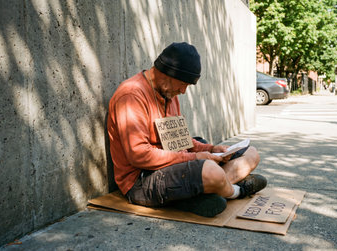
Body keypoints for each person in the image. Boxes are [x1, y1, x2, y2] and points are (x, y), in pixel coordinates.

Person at [107, 42, 267, 217]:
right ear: (166, 72)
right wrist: (197, 157)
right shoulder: (131, 96)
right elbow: (139, 155)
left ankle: (213, 188)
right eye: (183, 84)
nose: (183, 91)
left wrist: (211, 149)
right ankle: (235, 191)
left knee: (251, 154)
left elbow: (180, 140)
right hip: (142, 180)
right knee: (209, 170)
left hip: (173, 164)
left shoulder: (168, 92)